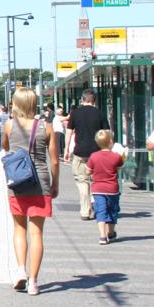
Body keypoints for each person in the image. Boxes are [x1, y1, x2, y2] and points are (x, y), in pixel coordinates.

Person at [2, 88, 58, 296]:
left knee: (19, 229)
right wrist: (55, 184)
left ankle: (20, 272)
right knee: (37, 233)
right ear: (35, 103)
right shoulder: (47, 127)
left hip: (17, 183)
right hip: (40, 183)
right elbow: (54, 160)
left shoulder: (9, 125)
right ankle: (33, 282)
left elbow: (5, 147)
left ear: (16, 104)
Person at [65, 89, 109, 220]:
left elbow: (68, 132)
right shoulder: (100, 113)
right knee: (97, 181)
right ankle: (99, 208)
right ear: (94, 101)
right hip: (97, 153)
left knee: (82, 181)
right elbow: (107, 133)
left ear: (82, 100)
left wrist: (66, 149)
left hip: (80, 152)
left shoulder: (75, 113)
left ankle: (85, 211)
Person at [87, 129, 124, 245]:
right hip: (112, 189)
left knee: (101, 211)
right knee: (112, 210)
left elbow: (88, 171)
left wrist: (93, 172)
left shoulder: (93, 156)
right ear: (111, 141)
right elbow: (120, 166)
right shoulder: (116, 156)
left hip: (98, 189)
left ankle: (102, 236)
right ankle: (111, 232)